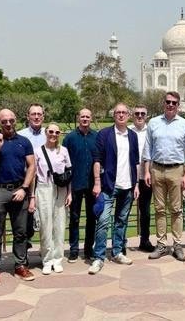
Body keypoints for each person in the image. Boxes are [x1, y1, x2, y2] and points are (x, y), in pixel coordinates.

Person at [0, 109, 36, 287]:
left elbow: (32, 166)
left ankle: (20, 265)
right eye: (4, 121)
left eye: (11, 120)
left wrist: (25, 188)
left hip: (19, 190)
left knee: (21, 232)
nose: (8, 123)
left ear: (16, 121)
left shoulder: (24, 141)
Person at [89, 103, 139, 274]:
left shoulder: (132, 136)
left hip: (128, 185)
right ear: (114, 115)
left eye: (124, 112)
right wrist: (97, 182)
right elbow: (97, 160)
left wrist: (136, 184)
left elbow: (135, 162)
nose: (121, 115)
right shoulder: (104, 134)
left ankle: (117, 251)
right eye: (118, 112)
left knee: (121, 221)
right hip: (109, 185)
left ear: (129, 115)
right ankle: (99, 257)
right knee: (103, 221)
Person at [143, 91, 185, 261]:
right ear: (163, 103)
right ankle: (162, 244)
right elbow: (147, 149)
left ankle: (177, 245)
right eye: (168, 102)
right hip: (157, 169)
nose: (170, 105)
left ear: (178, 105)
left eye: (174, 103)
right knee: (159, 209)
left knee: (177, 209)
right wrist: (146, 171)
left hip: (176, 170)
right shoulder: (154, 122)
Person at [33, 123, 72, 275]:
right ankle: (47, 259)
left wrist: (69, 193)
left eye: (57, 132)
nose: (53, 134)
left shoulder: (64, 151)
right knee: (45, 225)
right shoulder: (38, 151)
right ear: (45, 132)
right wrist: (32, 196)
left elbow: (69, 172)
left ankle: (58, 258)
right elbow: (33, 175)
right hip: (43, 188)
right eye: (51, 131)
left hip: (60, 190)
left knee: (59, 225)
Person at [62, 108, 98, 262]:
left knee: (92, 218)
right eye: (82, 116)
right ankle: (74, 249)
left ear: (91, 119)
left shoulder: (96, 137)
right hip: (75, 184)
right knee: (74, 218)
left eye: (87, 117)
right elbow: (64, 162)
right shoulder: (69, 138)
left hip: (92, 184)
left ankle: (89, 248)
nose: (84, 119)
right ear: (78, 118)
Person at [17, 103, 46, 254]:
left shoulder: (49, 134)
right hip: (25, 183)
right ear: (28, 116)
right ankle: (24, 252)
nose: (36, 117)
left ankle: (45, 251)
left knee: (46, 219)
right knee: (25, 221)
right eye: (33, 114)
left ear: (43, 116)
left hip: (45, 183)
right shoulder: (20, 135)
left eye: (39, 114)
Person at [129, 104, 155, 252]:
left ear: (146, 116)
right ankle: (120, 243)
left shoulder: (150, 131)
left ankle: (144, 240)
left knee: (145, 211)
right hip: (129, 176)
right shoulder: (127, 131)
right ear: (133, 115)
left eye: (142, 114)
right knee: (124, 210)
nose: (139, 116)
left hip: (146, 176)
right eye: (137, 113)